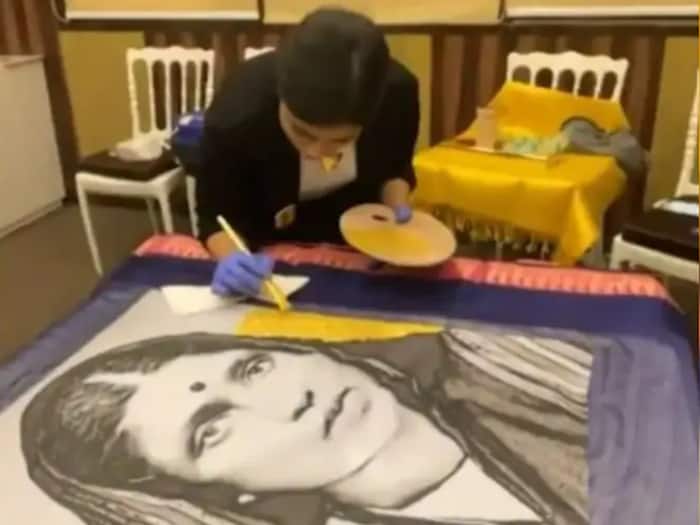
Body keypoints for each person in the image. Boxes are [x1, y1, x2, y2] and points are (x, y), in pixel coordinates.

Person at [21, 331, 591, 525]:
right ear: (227, 494)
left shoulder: (519, 367)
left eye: (254, 369)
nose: (291, 403)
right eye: (213, 430)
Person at [196, 8, 420, 298]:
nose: (318, 152)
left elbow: (394, 166)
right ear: (281, 98)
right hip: (271, 243)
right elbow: (215, 215)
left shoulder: (397, 94)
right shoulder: (237, 113)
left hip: (360, 237)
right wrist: (231, 257)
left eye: (342, 140)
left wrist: (396, 209)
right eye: (303, 133)